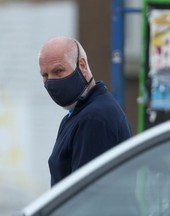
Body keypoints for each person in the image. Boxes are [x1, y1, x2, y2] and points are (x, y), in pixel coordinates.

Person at [38, 36, 132, 187]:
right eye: (45, 75)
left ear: (82, 65)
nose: (51, 81)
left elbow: (86, 198)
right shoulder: (78, 114)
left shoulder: (95, 118)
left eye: (58, 71)